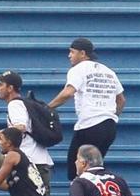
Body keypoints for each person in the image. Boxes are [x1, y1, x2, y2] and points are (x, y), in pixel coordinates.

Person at [48, 38, 125, 181]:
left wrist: (47, 107)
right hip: (109, 127)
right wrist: (112, 116)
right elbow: (121, 100)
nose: (69, 56)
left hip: (90, 126)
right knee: (95, 171)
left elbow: (68, 92)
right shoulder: (108, 71)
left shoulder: (78, 69)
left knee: (76, 168)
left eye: (72, 52)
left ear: (82, 53)